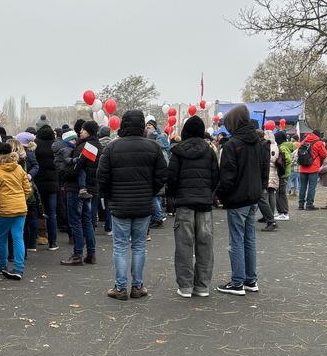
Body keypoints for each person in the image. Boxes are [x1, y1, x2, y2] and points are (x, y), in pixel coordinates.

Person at [97, 110, 167, 300]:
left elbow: (101, 176)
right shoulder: (153, 147)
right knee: (139, 246)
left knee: (120, 246)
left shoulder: (112, 148)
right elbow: (162, 174)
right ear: (142, 125)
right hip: (143, 203)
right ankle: (137, 286)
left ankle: (120, 288)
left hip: (119, 204)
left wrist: (109, 195)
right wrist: (150, 191)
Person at [215, 104, 267, 295]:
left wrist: (220, 195)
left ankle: (237, 281)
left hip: (237, 198)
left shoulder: (232, 145)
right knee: (249, 239)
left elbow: (227, 177)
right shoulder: (259, 143)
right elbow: (263, 171)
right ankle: (250, 280)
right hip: (253, 197)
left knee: (236, 240)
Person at [165, 116, 219, 298]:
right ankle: (202, 286)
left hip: (184, 204)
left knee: (184, 245)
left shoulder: (177, 151)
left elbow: (171, 178)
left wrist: (172, 197)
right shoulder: (210, 151)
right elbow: (215, 177)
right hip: (204, 205)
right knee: (205, 246)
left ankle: (185, 286)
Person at [0, 142, 32, 280]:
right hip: (20, 208)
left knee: (1, 239)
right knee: (18, 238)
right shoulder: (18, 168)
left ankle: (2, 265)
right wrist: (21, 200)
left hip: (3, 210)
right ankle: (18, 268)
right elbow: (28, 189)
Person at [60, 120, 102, 266]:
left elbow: (77, 168)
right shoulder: (98, 146)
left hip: (76, 188)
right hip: (90, 188)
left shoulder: (84, 146)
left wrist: (64, 174)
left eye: (83, 130)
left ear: (89, 131)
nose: (80, 132)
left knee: (75, 222)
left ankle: (78, 254)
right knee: (87, 222)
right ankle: (91, 254)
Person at [33, 124, 60, 250]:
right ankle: (53, 242)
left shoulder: (35, 144)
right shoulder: (55, 144)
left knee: (35, 212)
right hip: (52, 183)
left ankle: (33, 242)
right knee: (52, 213)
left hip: (38, 182)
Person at [297, 129, 327, 210]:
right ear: (318, 135)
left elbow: (299, 152)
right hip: (313, 168)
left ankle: (300, 205)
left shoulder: (304, 141)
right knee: (311, 187)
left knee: (302, 186)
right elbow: (324, 154)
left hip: (303, 168)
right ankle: (309, 205)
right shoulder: (319, 142)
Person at [274, 131, 292, 220]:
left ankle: (284, 212)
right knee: (279, 192)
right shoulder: (284, 146)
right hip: (284, 173)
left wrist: (280, 165)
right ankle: (281, 212)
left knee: (281, 193)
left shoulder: (282, 147)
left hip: (283, 174)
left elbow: (287, 159)